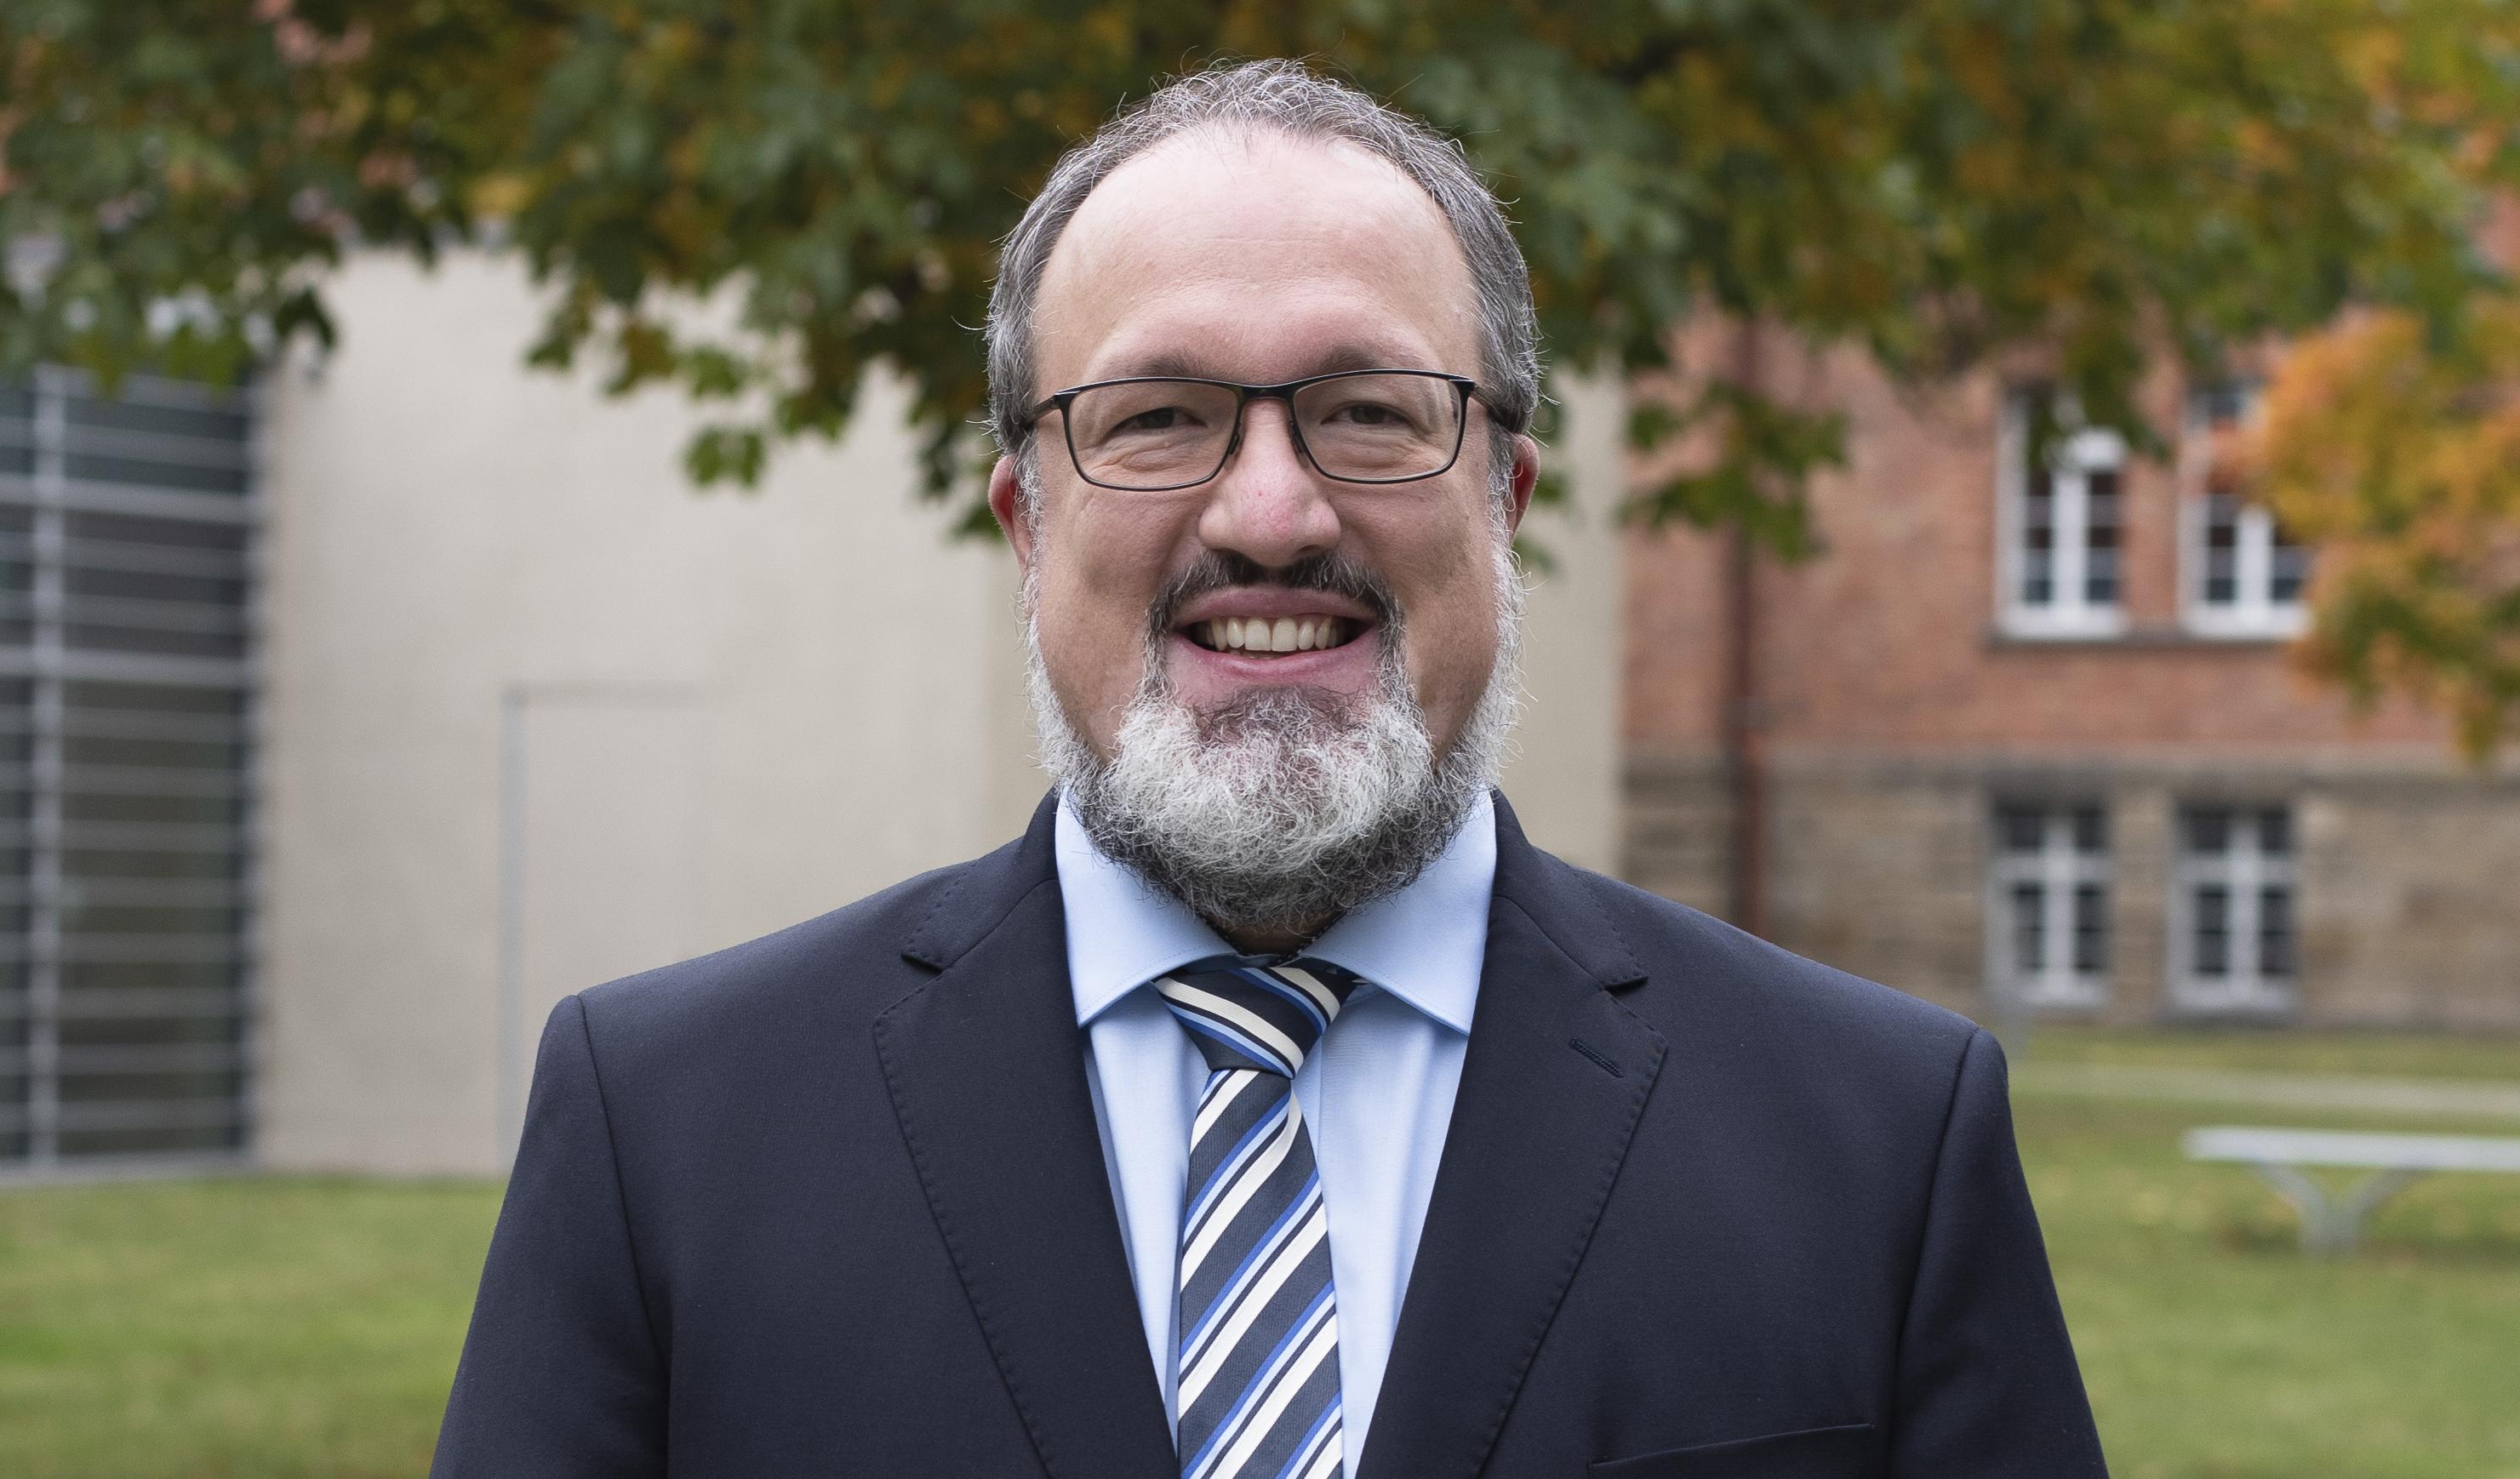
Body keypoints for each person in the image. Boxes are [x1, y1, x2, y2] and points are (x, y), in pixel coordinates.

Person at [431, 60, 2106, 1479]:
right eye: (1156, 417)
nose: (1271, 512)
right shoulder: (667, 1132)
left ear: (1505, 500)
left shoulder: (1878, 1141)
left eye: (1368, 410)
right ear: (1026, 524)